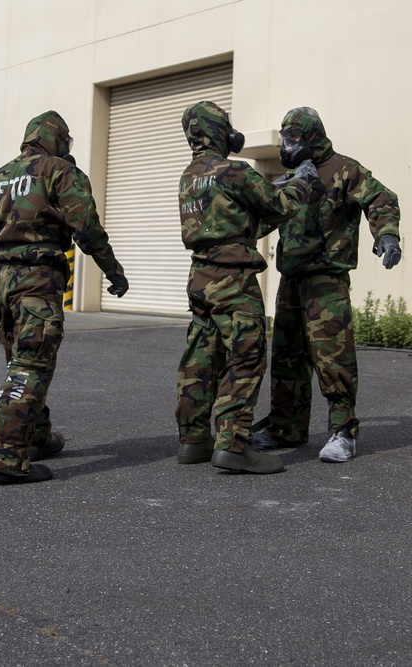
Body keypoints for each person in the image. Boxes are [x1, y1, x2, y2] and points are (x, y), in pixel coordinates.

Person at [0, 110, 129, 484]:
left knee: (19, 358)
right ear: (58, 140)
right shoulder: (59, 171)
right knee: (32, 365)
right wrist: (113, 271)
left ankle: (36, 436)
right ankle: (5, 455)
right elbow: (86, 227)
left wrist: (3, 249)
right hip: (36, 279)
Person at [175, 101, 323, 474]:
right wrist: (303, 178)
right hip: (234, 282)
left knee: (201, 358)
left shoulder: (190, 176)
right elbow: (277, 206)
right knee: (246, 358)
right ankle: (234, 444)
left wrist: (274, 187)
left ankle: (194, 440)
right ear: (217, 131)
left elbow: (238, 217)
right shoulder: (234, 171)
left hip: (200, 279)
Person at [254, 107, 402, 463]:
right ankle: (285, 428)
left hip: (326, 279)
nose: (288, 145)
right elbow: (266, 215)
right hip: (291, 278)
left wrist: (388, 235)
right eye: (284, 138)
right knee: (288, 357)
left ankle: (343, 431)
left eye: (294, 137)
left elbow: (381, 200)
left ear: (312, 136)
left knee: (332, 355)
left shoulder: (345, 169)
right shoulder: (293, 176)